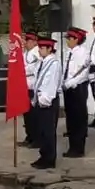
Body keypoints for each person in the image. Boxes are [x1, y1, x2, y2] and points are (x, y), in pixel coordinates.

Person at [29, 35, 61, 169]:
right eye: (39, 48)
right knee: (41, 130)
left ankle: (49, 159)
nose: (39, 50)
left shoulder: (54, 64)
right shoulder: (41, 62)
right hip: (39, 100)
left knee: (48, 131)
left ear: (49, 49)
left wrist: (44, 99)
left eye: (42, 48)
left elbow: (51, 83)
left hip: (47, 100)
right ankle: (43, 155)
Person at [60, 28, 93, 158]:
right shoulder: (69, 52)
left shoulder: (83, 53)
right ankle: (72, 146)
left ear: (76, 39)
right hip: (68, 88)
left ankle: (78, 148)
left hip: (78, 88)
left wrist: (70, 82)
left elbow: (84, 72)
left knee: (78, 118)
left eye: (69, 38)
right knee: (71, 118)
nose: (67, 41)